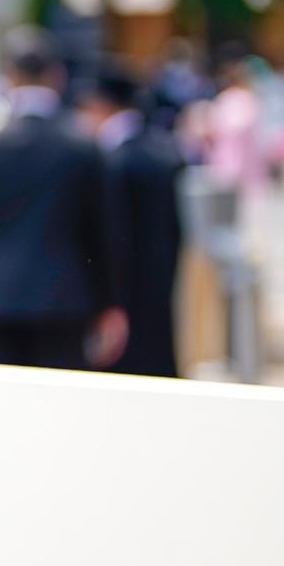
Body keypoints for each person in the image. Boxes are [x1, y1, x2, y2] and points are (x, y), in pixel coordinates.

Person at [0, 27, 126, 371]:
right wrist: (110, 303)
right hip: (65, 298)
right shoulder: (84, 148)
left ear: (9, 77)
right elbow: (101, 234)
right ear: (56, 76)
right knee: (58, 411)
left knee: (5, 411)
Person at [80, 62, 184, 377]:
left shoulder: (111, 160)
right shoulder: (162, 150)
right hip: (160, 280)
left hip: (123, 291)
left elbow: (108, 235)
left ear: (99, 105)